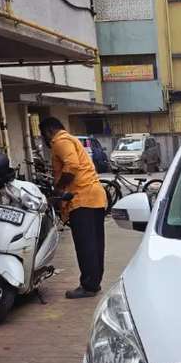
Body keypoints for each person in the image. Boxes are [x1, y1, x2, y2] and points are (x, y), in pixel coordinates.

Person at [39, 117, 107, 299]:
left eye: (42, 136)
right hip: (95, 197)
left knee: (86, 245)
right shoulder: (71, 139)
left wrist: (58, 190)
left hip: (82, 198)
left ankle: (88, 286)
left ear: (47, 131)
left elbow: (72, 167)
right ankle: (94, 283)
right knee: (95, 244)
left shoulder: (60, 141)